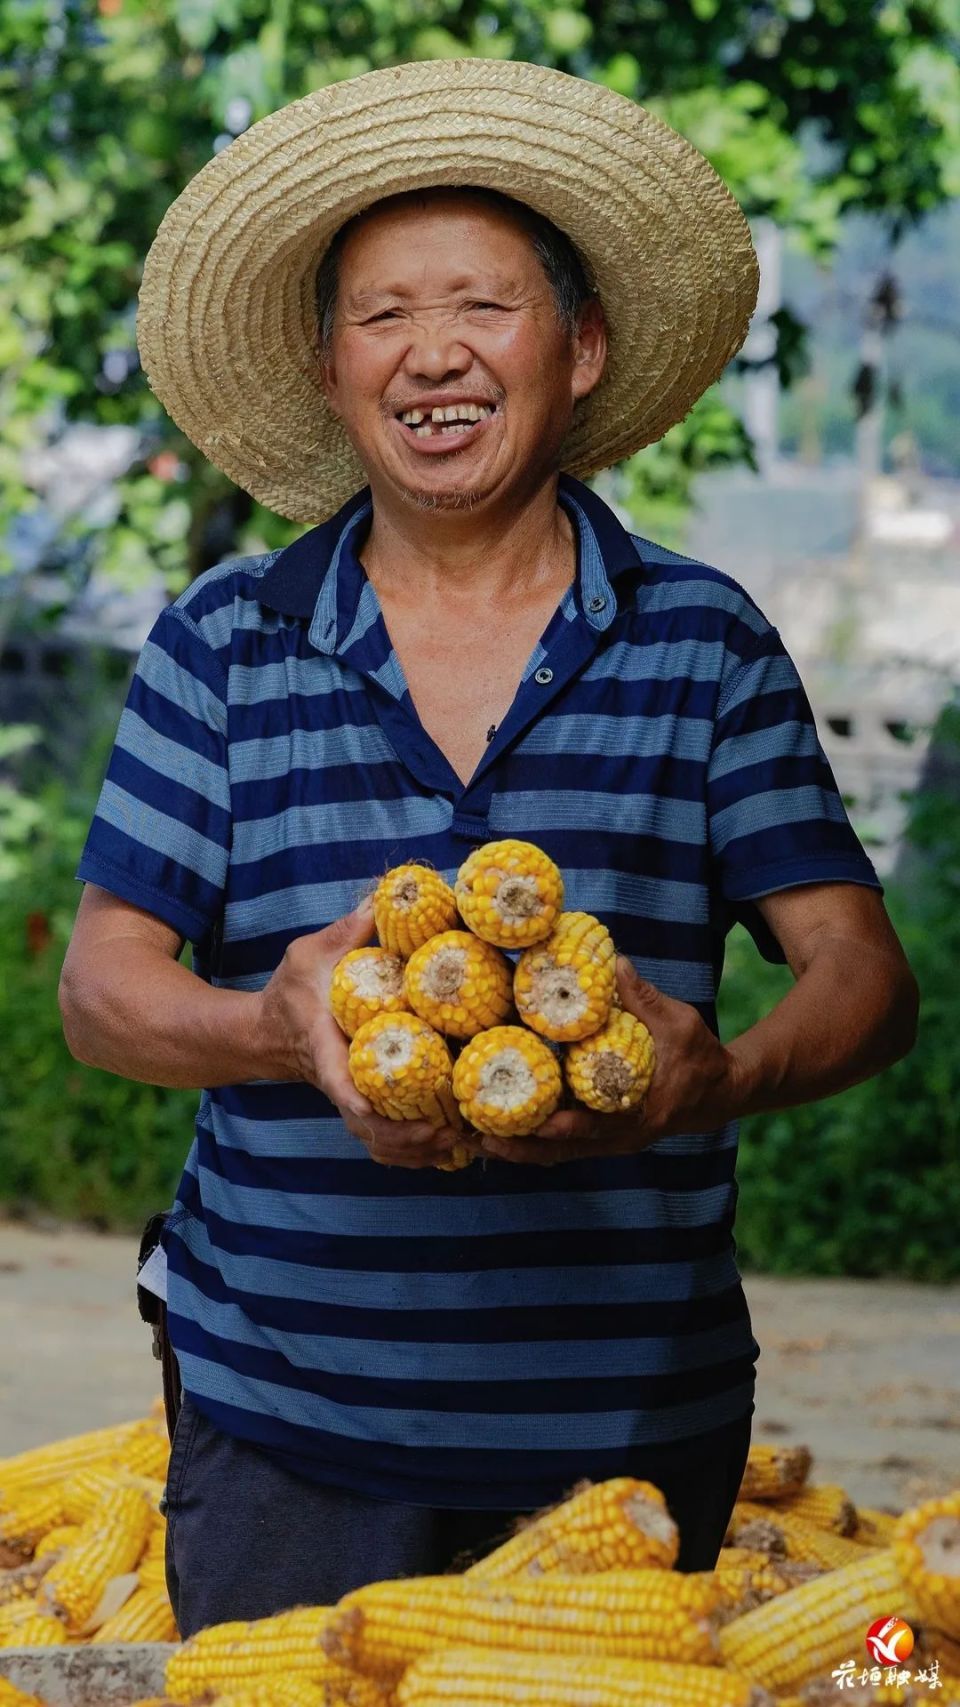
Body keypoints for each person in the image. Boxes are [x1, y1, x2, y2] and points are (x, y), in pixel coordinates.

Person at [58, 58, 918, 1636]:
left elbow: (862, 973)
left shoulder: (703, 644)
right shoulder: (225, 640)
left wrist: (717, 1074)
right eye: (383, 315)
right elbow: (103, 987)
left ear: (580, 350)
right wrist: (271, 1025)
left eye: (484, 308)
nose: (432, 354)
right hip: (283, 1429)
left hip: (625, 1439)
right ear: (328, 367)